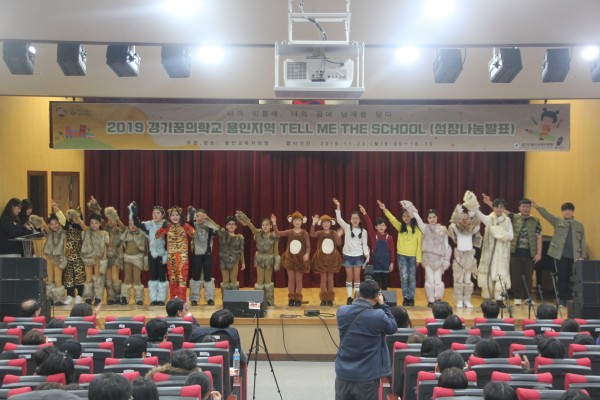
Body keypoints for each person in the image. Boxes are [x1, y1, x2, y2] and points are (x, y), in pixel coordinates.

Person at [335, 279, 397, 400]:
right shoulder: (378, 315)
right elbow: (392, 327)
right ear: (377, 297)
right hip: (367, 376)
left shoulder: (341, 312)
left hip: (343, 374)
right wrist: (383, 305)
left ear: (358, 294)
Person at [486, 197, 542, 307]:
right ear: (519, 208)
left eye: (527, 206)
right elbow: (501, 210)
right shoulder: (514, 217)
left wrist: (539, 253)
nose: (525, 208)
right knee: (515, 276)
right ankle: (517, 297)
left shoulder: (535, 221)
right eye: (523, 206)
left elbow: (539, 237)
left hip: (530, 253)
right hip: (515, 252)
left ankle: (527, 297)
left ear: (530, 208)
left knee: (528, 276)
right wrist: (490, 203)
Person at [533, 201, 586, 307]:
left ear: (573, 212)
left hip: (574, 256)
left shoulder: (579, 225)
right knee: (562, 276)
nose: (567, 212)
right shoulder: (557, 221)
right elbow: (547, 215)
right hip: (560, 255)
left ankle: (569, 298)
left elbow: (582, 241)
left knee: (571, 278)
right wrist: (538, 207)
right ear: (562, 212)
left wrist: (582, 256)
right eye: (565, 210)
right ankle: (561, 298)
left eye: (569, 210)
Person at [404, 201, 452, 307]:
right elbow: (418, 218)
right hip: (428, 259)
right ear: (427, 219)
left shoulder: (443, 229)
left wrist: (446, 260)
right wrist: (410, 207)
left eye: (434, 217)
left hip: (439, 260)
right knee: (430, 280)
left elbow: (446, 245)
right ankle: (431, 300)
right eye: (430, 217)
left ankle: (438, 299)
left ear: (437, 217)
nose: (432, 219)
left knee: (438, 281)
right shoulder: (425, 228)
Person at [379, 200, 422, 307]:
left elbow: (419, 245)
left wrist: (418, 259)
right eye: (404, 216)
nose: (406, 218)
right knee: (404, 277)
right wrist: (385, 209)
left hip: (413, 257)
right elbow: (392, 219)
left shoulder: (417, 230)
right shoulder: (400, 227)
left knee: (411, 278)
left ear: (412, 217)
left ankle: (411, 298)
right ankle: (406, 297)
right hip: (401, 256)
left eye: (408, 216)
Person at [476, 197, 514, 307]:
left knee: (501, 274)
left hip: (502, 253)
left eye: (501, 207)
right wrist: (473, 205)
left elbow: (511, 236)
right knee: (487, 273)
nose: (499, 209)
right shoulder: (489, 219)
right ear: (493, 208)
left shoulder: (507, 220)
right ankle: (487, 298)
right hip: (489, 252)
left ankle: (499, 299)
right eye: (497, 207)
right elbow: (479, 215)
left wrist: (500, 234)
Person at [236, 210, 279, 306]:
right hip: (259, 259)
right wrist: (245, 220)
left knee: (268, 281)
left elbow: (276, 251)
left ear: (271, 226)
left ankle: (269, 301)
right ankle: (258, 301)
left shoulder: (274, 236)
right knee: (260, 280)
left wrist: (276, 262)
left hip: (269, 260)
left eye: (267, 225)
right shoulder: (258, 233)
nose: (265, 226)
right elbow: (251, 226)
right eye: (263, 225)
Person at [334, 198, 370, 306]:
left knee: (357, 278)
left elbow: (365, 245)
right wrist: (338, 206)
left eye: (357, 218)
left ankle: (356, 297)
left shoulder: (364, 232)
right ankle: (349, 297)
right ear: (350, 220)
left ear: (360, 220)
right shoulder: (346, 227)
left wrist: (367, 254)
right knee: (349, 277)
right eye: (353, 218)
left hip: (358, 256)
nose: (355, 220)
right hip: (348, 256)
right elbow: (339, 219)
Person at [131, 202, 168, 306]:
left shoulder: (166, 225)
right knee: (153, 276)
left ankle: (161, 299)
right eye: (153, 213)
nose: (155, 215)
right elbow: (138, 224)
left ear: (162, 215)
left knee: (162, 276)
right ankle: (153, 299)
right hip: (152, 254)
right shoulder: (150, 224)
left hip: (163, 255)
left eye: (158, 213)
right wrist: (134, 215)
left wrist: (167, 255)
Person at [155, 206, 195, 300]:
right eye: (173, 215)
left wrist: (186, 225)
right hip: (171, 257)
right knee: (173, 278)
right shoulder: (168, 226)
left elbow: (193, 234)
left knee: (182, 278)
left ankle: (182, 300)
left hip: (182, 256)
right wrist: (162, 228)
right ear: (169, 217)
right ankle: (173, 299)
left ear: (180, 216)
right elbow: (157, 235)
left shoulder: (184, 225)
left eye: (177, 215)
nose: (175, 217)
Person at [272, 211, 310, 306]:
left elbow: (308, 246)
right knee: (291, 279)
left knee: (298, 279)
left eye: (299, 220)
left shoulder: (305, 233)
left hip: (300, 259)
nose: (297, 222)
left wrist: (307, 254)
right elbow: (277, 233)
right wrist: (274, 223)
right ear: (292, 222)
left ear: (302, 221)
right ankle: (291, 299)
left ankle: (298, 298)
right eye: (295, 220)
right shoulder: (290, 232)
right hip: (290, 258)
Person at [448, 198, 481, 309]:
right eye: (463, 219)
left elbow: (478, 225)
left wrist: (474, 214)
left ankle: (467, 300)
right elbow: (452, 224)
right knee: (459, 279)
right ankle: (459, 300)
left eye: (467, 219)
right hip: (459, 257)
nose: (465, 221)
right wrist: (457, 212)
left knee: (467, 279)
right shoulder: (457, 230)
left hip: (469, 258)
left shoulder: (471, 231)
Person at [187, 207, 218, 306]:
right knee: (196, 276)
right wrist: (191, 212)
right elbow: (189, 222)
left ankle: (210, 298)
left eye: (202, 216)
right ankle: (194, 298)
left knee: (208, 277)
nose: (199, 218)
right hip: (196, 254)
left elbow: (217, 230)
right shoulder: (193, 225)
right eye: (198, 216)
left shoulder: (209, 226)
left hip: (207, 254)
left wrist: (208, 220)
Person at [359, 205, 395, 291]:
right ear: (376, 227)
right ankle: (376, 297)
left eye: (383, 225)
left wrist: (392, 263)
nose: (381, 227)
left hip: (386, 264)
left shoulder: (389, 237)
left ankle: (384, 298)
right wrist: (364, 213)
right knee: (376, 283)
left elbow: (392, 251)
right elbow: (369, 224)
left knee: (385, 283)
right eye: (379, 225)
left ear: (386, 227)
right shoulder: (373, 236)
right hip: (376, 264)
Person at [309, 213, 342, 306]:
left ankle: (330, 299)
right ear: (321, 224)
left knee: (330, 279)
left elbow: (338, 243)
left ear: (331, 223)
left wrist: (338, 235)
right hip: (322, 259)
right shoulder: (320, 233)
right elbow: (312, 234)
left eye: (328, 222)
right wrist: (313, 223)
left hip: (332, 259)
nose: (326, 224)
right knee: (323, 279)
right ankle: (323, 299)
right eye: (324, 223)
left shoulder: (333, 233)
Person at [211, 214, 246, 294]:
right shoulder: (222, 234)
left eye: (233, 224)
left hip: (235, 261)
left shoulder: (239, 237)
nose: (231, 226)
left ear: (236, 226)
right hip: (224, 261)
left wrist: (243, 262)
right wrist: (206, 218)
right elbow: (215, 225)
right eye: (229, 224)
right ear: (226, 226)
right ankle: (226, 299)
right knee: (226, 281)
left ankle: (234, 299)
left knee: (234, 282)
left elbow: (241, 250)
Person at [41, 203, 68, 305]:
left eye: (56, 223)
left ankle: (59, 298)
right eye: (51, 224)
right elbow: (41, 222)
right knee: (49, 279)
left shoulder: (63, 233)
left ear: (59, 223)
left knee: (57, 279)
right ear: (49, 225)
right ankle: (49, 298)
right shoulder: (48, 232)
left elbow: (65, 248)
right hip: (48, 258)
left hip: (58, 259)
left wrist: (63, 259)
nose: (54, 226)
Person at [120, 212, 149, 305]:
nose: (132, 226)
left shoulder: (142, 235)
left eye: (134, 224)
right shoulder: (126, 234)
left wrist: (145, 261)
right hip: (127, 258)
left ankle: (139, 298)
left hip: (137, 258)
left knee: (137, 279)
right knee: (127, 279)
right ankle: (125, 298)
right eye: (130, 224)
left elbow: (145, 249)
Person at [80, 212, 108, 305]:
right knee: (88, 278)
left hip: (98, 259)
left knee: (98, 278)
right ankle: (88, 297)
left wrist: (104, 260)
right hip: (88, 258)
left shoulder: (103, 234)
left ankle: (98, 297)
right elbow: (83, 226)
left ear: (100, 224)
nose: (94, 225)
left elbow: (105, 248)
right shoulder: (87, 232)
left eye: (96, 223)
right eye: (92, 223)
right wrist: (78, 219)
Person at [103, 205, 125, 305]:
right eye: (109, 220)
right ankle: (110, 297)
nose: (111, 221)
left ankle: (118, 296)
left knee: (115, 277)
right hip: (106, 257)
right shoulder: (106, 230)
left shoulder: (120, 230)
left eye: (112, 219)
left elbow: (123, 228)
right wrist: (95, 206)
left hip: (116, 257)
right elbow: (99, 219)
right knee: (108, 278)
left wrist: (116, 218)